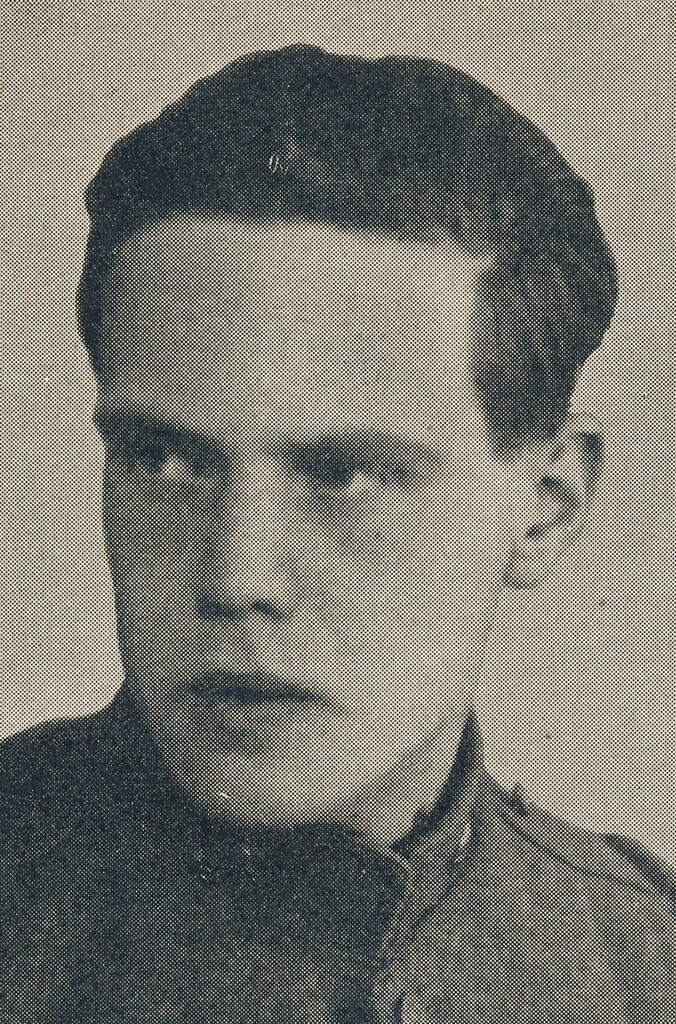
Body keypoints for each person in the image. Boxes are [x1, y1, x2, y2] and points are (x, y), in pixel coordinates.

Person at [1, 44, 673, 1024]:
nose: (236, 575)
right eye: (165, 459)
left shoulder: (643, 968)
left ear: (547, 501)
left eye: (344, 474)